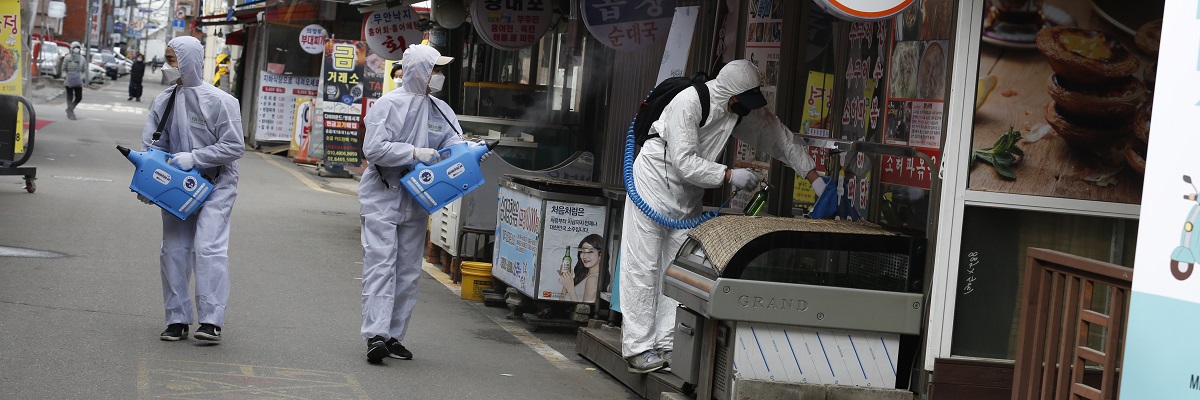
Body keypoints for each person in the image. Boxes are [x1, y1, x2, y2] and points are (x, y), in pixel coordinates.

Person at [619, 60, 825, 373]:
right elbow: (684, 162)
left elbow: (778, 137)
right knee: (643, 267)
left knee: (677, 271)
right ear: (731, 94)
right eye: (744, 100)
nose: (748, 106)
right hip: (652, 184)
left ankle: (668, 344)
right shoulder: (688, 102)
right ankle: (638, 348)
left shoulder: (737, 108)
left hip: (688, 196)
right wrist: (729, 175)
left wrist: (815, 180)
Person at [359, 45, 481, 363]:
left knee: (408, 271)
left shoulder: (441, 110)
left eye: (439, 71)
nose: (438, 76)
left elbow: (453, 144)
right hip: (383, 195)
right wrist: (413, 153)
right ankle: (375, 334)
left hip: (418, 199)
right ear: (418, 71)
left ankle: (393, 336)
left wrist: (470, 152)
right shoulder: (388, 105)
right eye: (434, 70)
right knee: (381, 265)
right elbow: (374, 149)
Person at [139, 36, 244, 342]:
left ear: (190, 62)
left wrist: (196, 158)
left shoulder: (221, 101)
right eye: (167, 59)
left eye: (172, 60)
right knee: (173, 249)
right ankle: (177, 318)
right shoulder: (164, 101)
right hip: (176, 187)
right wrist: (148, 182)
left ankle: (211, 320)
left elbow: (234, 146)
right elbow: (152, 145)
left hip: (216, 184)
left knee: (209, 248)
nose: (166, 65)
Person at [560, 234, 604, 303]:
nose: (584, 256)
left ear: (600, 255)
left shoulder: (593, 279)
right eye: (583, 251)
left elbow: (584, 308)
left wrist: (570, 288)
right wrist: (567, 279)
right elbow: (561, 301)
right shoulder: (585, 275)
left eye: (590, 252)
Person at [58, 42, 86, 120]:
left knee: (79, 97)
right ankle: (71, 113)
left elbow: (84, 70)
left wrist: (82, 77)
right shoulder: (67, 58)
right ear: (71, 49)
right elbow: (63, 69)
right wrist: (65, 76)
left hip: (78, 80)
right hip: (69, 79)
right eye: (75, 47)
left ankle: (70, 109)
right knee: (69, 97)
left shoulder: (82, 59)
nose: (76, 49)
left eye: (78, 47)